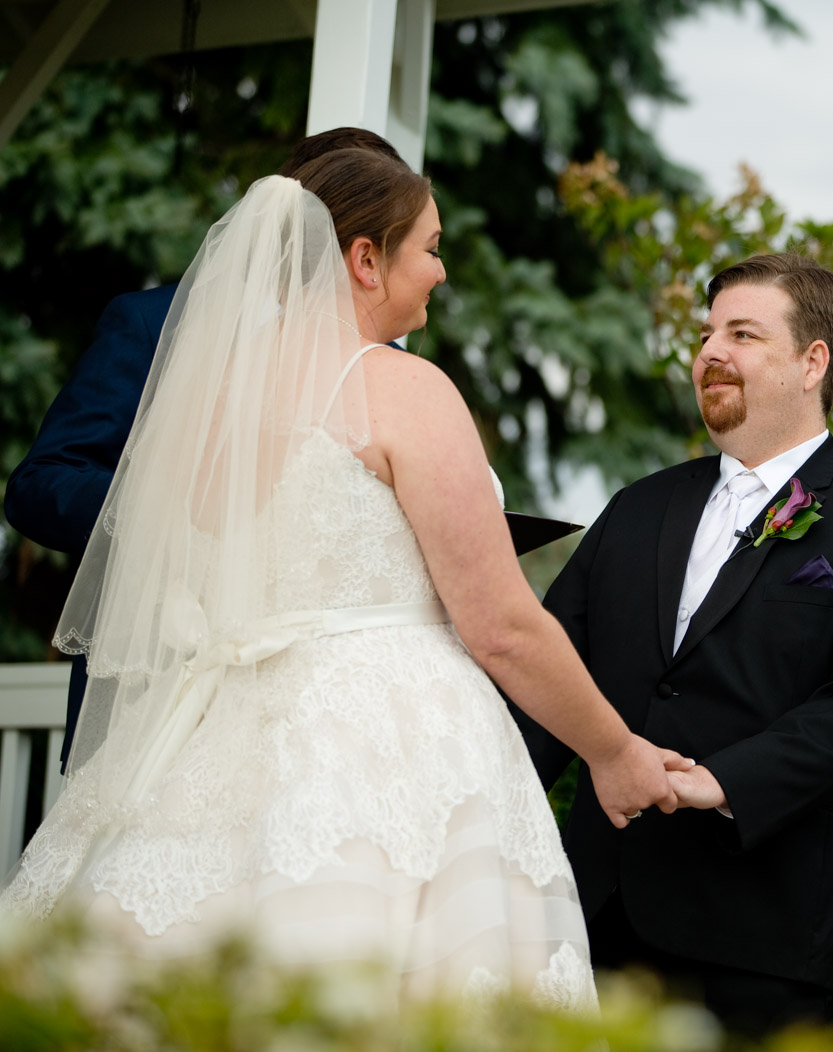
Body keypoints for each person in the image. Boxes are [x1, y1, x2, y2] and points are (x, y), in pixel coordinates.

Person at [0, 151, 683, 1004]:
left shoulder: (214, 404)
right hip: (387, 738)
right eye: (430, 247)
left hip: (220, 726)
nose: (440, 269)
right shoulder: (404, 388)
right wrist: (615, 752)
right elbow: (501, 624)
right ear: (365, 259)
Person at [515, 253, 833, 1036]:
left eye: (742, 333)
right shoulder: (639, 507)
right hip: (597, 918)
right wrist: (484, 812)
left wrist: (715, 782)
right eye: (707, 332)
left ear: (813, 361)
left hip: (766, 935)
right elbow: (546, 672)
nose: (711, 351)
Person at [4, 127, 406, 772]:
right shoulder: (149, 323)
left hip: (310, 708)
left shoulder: (378, 355)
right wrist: (173, 507)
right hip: (155, 683)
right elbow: (39, 484)